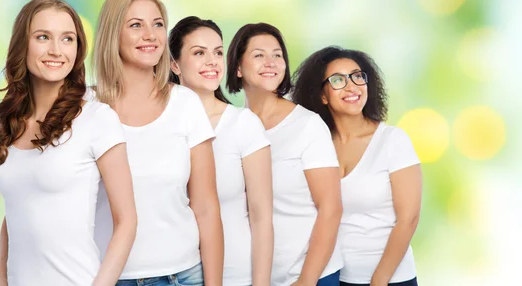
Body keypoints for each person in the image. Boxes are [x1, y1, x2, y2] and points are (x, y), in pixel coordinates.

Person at [0, 0, 137, 286]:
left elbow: (127, 222)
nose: (56, 50)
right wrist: (0, 279)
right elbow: (16, 211)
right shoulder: (11, 121)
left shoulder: (97, 118)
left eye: (67, 39)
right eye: (43, 37)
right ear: (23, 44)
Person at [91, 0, 223, 286]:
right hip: (106, 278)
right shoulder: (85, 108)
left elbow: (206, 207)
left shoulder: (185, 104)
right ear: (113, 33)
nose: (150, 34)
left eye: (158, 24)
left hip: (183, 277)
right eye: (136, 25)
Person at [292, 46, 422, 286]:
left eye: (357, 76)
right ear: (322, 96)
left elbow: (409, 218)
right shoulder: (316, 146)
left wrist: (380, 280)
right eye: (338, 80)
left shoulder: (393, 140)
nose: (352, 86)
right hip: (333, 277)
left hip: (391, 280)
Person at [226, 23, 343, 286]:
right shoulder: (230, 126)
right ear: (238, 67)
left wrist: (306, 280)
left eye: (277, 55)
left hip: (310, 276)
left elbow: (331, 208)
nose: (270, 62)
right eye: (258, 55)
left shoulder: (307, 126)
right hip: (255, 277)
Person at [169, 16, 273, 286]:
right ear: (174, 64)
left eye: (217, 52)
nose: (212, 61)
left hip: (235, 275)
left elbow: (261, 217)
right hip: (173, 273)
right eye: (199, 53)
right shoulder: (161, 125)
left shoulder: (243, 124)